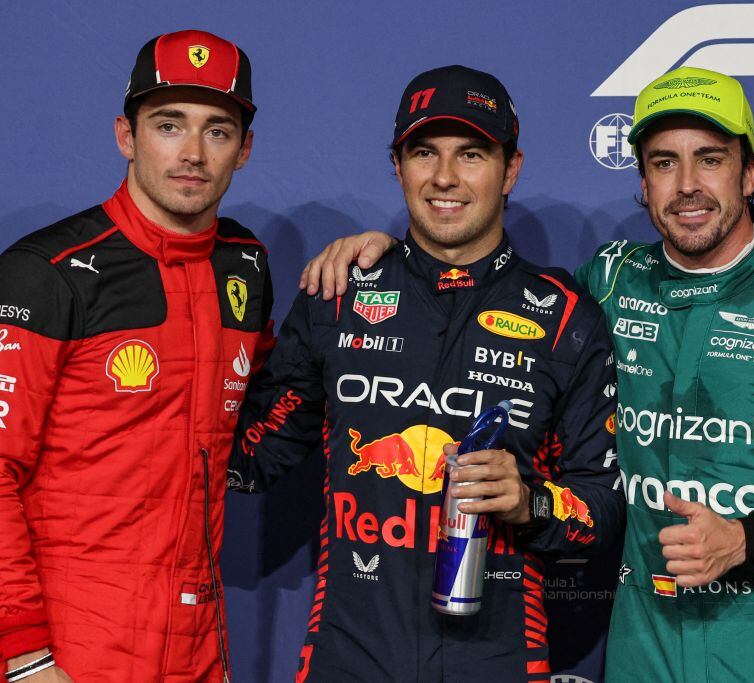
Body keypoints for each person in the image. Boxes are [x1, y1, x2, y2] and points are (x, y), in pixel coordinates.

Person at [302, 66, 754, 682]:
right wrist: (397, 255)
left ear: (749, 172)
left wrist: (750, 538)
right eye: (664, 163)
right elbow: (496, 292)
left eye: (711, 160)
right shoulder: (611, 282)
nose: (688, 186)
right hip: (644, 637)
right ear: (642, 183)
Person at [228, 65, 625, 682]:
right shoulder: (338, 292)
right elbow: (250, 458)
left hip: (497, 656)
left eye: (471, 154)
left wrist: (530, 502)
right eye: (424, 153)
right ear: (398, 166)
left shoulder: (566, 318)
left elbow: (602, 511)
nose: (445, 177)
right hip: (349, 653)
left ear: (510, 169)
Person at [0, 30, 272, 683]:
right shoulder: (42, 273)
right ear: (126, 135)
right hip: (74, 645)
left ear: (245, 150)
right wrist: (28, 654)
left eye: (217, 131)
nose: (191, 153)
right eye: (168, 124)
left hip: (201, 644)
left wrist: (373, 263)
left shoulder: (246, 263)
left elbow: (262, 401)